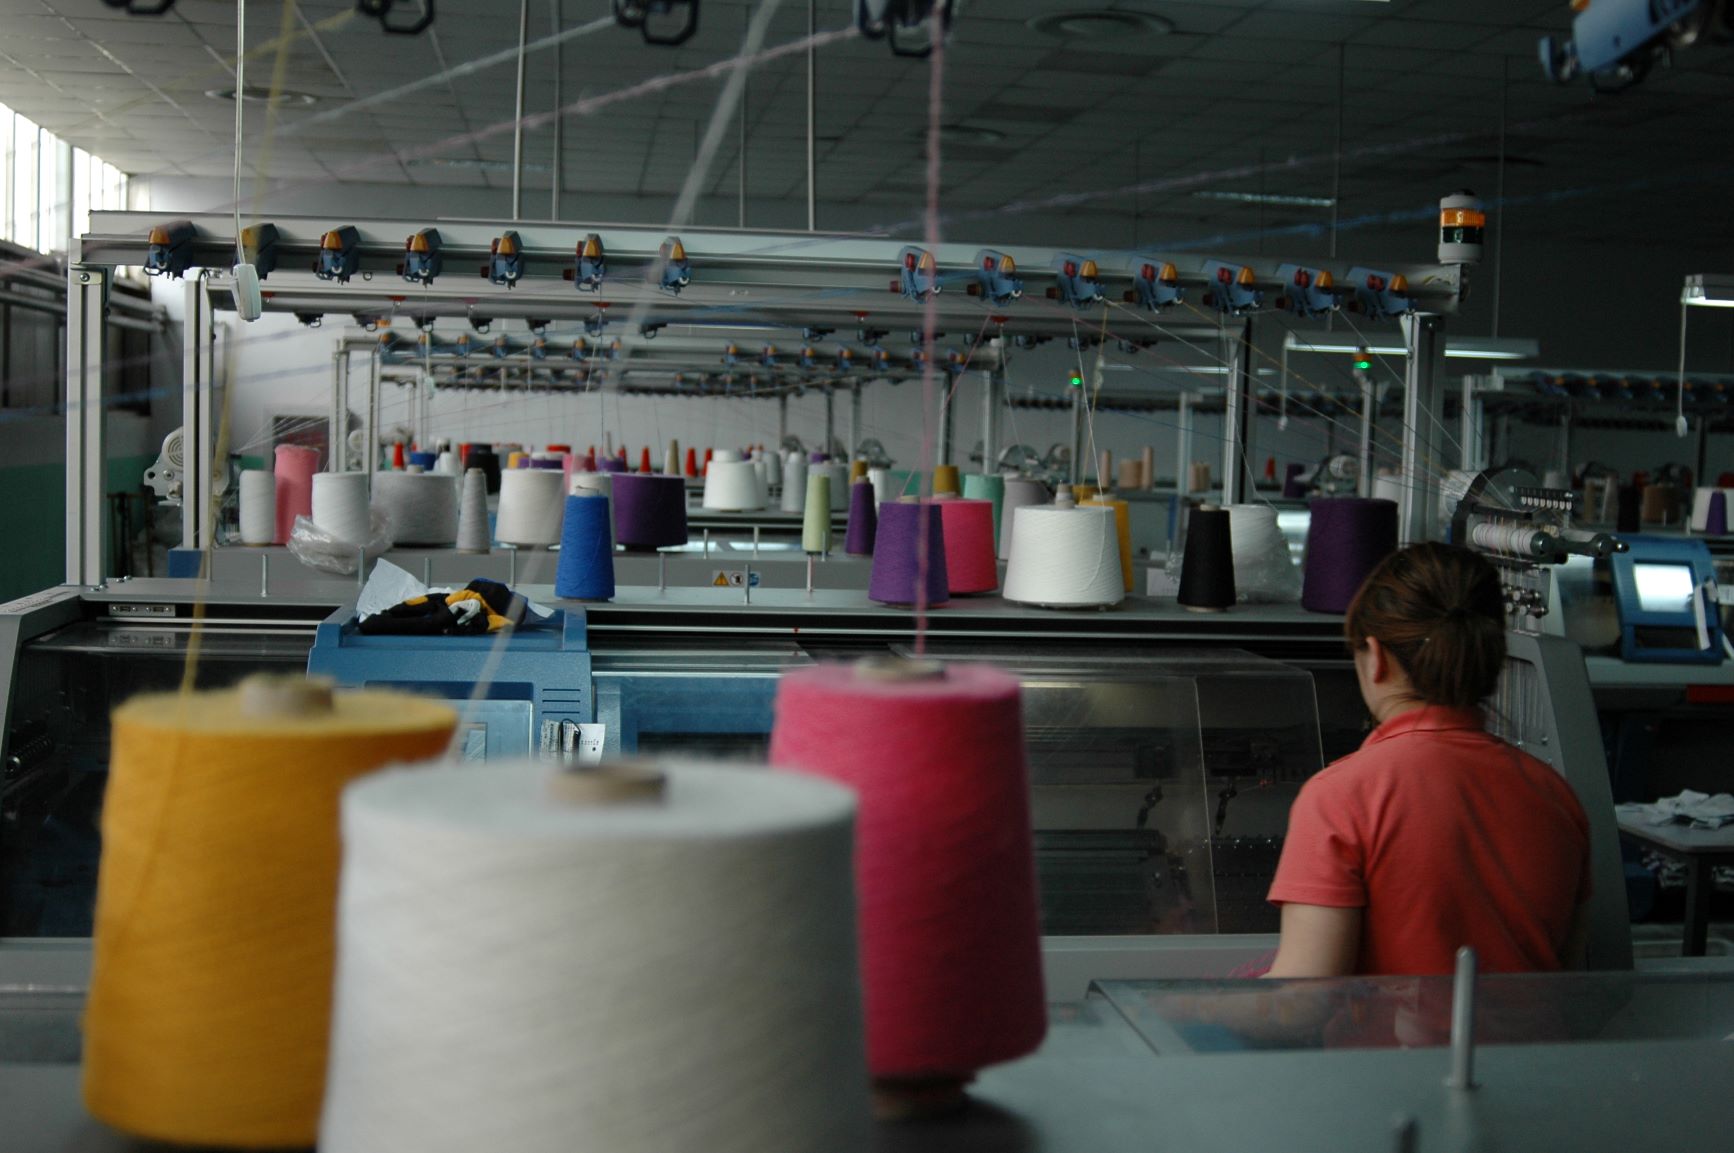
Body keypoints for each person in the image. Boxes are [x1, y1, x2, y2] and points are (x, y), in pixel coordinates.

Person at [1264, 542, 1592, 978]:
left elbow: (1301, 1002)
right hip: (1532, 1048)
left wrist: (1189, 1006)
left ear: (1376, 658)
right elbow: (1571, 976)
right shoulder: (1555, 794)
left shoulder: (1340, 797)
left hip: (1393, 1049)